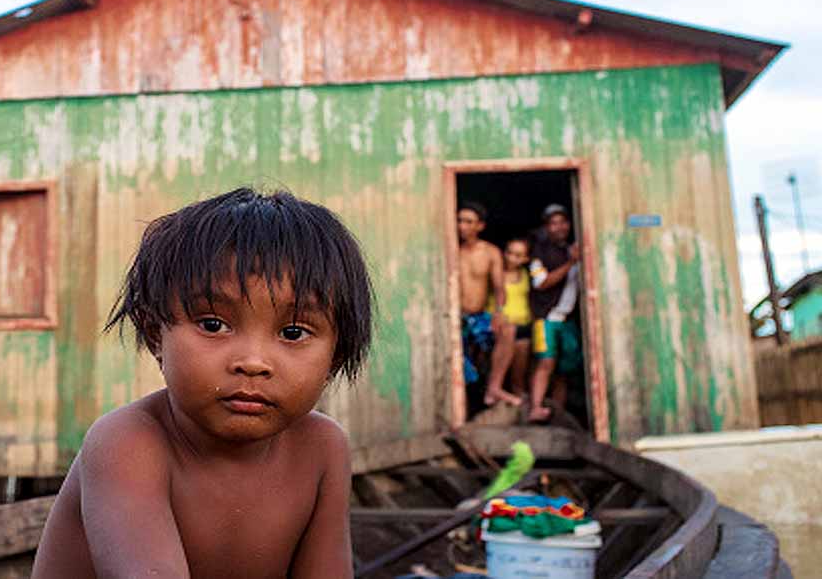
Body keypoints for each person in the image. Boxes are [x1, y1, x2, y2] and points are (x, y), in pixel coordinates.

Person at [31, 188, 373, 579]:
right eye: (213, 325)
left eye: (293, 332)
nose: (253, 362)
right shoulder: (127, 444)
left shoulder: (322, 449)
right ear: (155, 333)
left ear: (337, 356)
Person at [457, 202, 521, 407]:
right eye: (460, 220)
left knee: (508, 331)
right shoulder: (451, 251)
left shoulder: (490, 252)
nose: (462, 226)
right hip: (456, 317)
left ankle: (494, 387)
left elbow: (499, 288)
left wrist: (499, 312)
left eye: (468, 221)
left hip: (479, 316)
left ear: (480, 226)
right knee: (463, 368)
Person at [528, 203, 583, 422]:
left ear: (569, 225)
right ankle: (535, 407)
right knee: (546, 363)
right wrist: (571, 262)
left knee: (564, 368)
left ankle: (557, 412)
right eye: (553, 223)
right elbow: (541, 283)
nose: (559, 227)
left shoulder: (573, 249)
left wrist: (573, 258)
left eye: (563, 222)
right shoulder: (538, 253)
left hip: (568, 320)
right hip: (546, 319)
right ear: (546, 227)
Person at [497, 238, 534, 397]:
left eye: (518, 255)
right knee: (499, 369)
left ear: (526, 259)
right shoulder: (496, 273)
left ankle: (518, 401)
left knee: (520, 371)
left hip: (524, 325)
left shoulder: (527, 274)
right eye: (509, 253)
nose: (511, 258)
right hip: (502, 328)